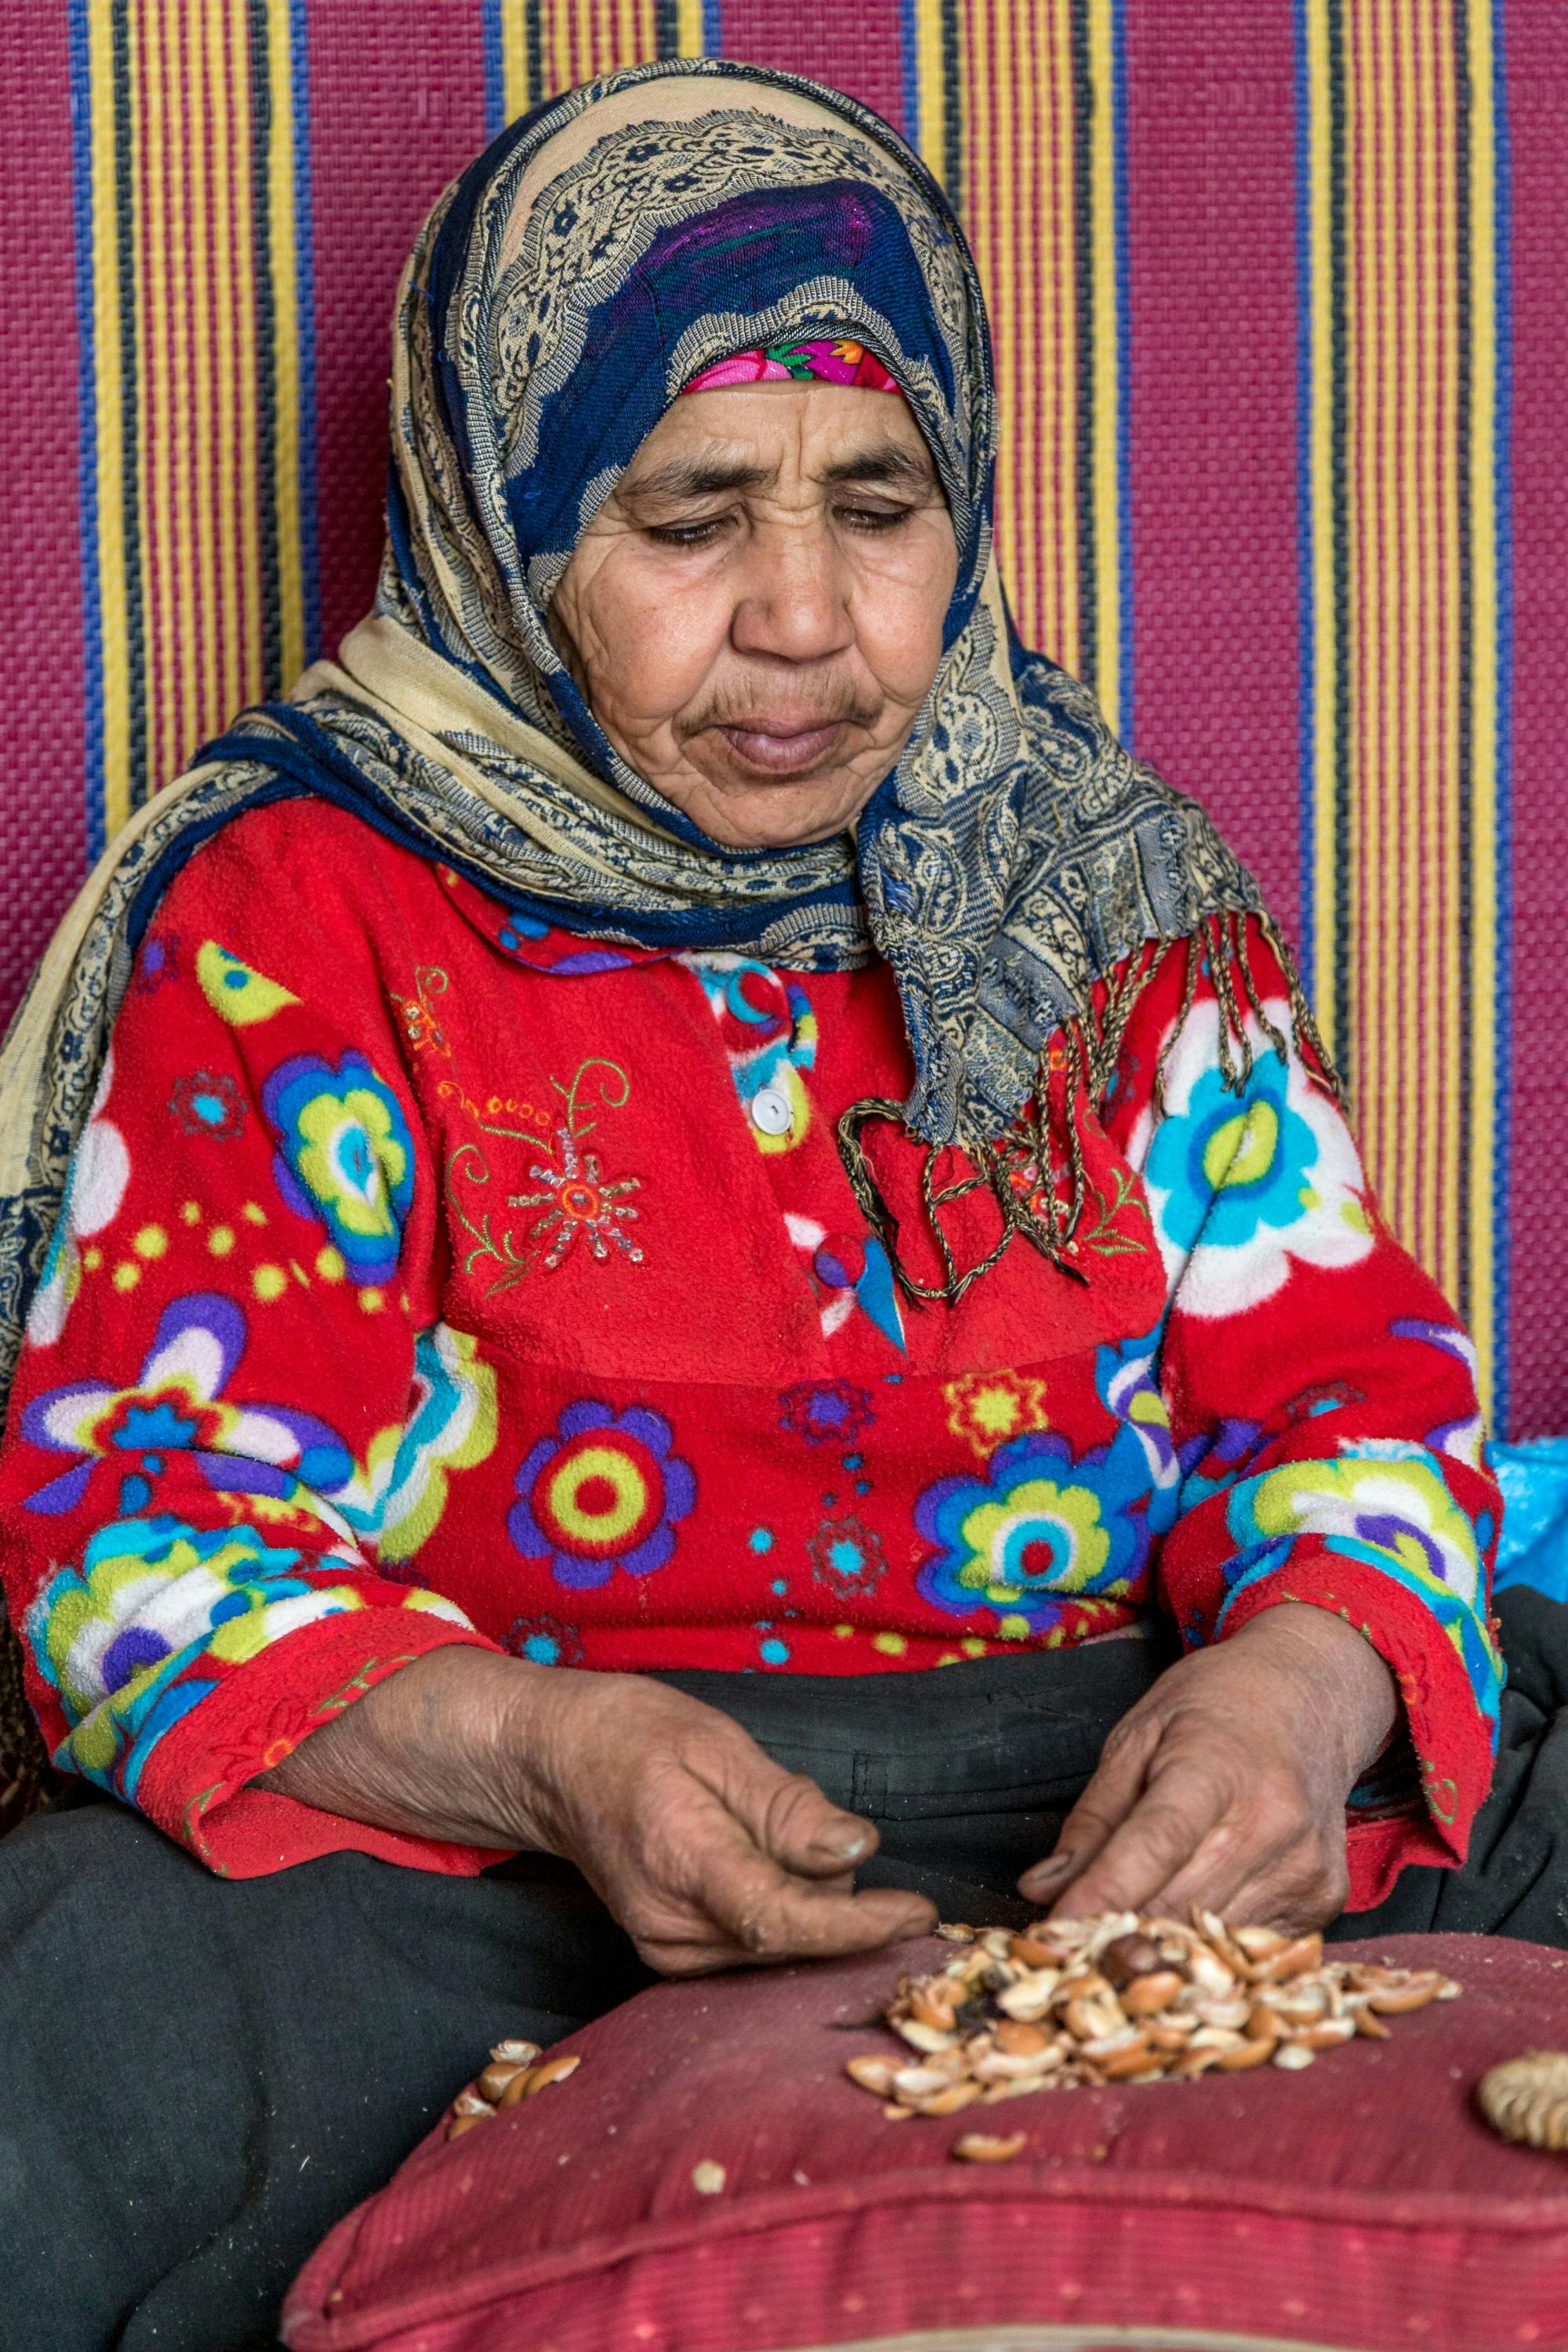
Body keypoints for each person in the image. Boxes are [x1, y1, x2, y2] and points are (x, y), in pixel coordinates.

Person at [0, 57, 1557, 2352]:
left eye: (881, 500)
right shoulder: (306, 910)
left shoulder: (1095, 884)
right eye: (691, 513)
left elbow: (1351, 1400)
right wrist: (560, 1755)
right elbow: (136, 1539)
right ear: (510, 517)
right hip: (515, 1845)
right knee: (81, 1990)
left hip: (1125, 1787)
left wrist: (1297, 1707)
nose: (810, 621)